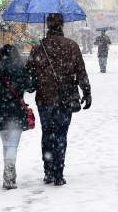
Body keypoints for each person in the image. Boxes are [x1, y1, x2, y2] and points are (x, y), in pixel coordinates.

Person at [28, 13, 92, 186]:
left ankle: (48, 170)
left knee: (47, 134)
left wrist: (33, 84)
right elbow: (81, 72)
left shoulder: (39, 47)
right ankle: (58, 173)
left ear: (48, 26)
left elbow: (30, 73)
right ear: (62, 25)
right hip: (65, 98)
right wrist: (87, 92)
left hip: (44, 98)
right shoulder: (71, 46)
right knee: (61, 134)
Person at [0, 44, 36, 190]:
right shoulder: (20, 68)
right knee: (12, 146)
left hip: (1, 110)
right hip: (16, 109)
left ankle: (9, 173)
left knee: (6, 145)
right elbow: (30, 87)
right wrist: (30, 72)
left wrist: (5, 93)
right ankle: (9, 175)